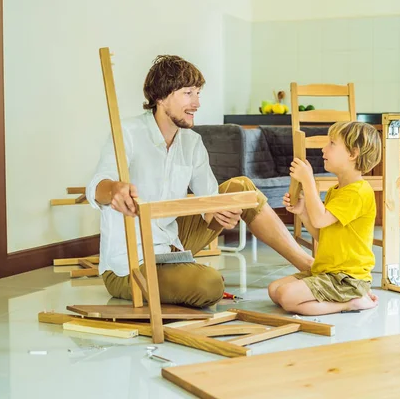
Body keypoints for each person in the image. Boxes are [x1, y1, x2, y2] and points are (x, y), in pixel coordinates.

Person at [85, 54, 313, 308]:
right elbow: (96, 187)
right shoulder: (127, 133)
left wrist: (221, 214)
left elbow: (210, 205)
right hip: (128, 265)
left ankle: (310, 265)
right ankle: (185, 275)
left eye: (198, 93)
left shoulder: (192, 142)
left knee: (241, 189)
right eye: (188, 93)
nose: (197, 102)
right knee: (209, 285)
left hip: (172, 245)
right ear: (161, 97)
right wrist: (114, 189)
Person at [268, 121, 382, 316]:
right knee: (274, 290)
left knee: (287, 297)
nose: (323, 148)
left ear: (352, 154)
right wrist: (303, 211)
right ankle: (347, 299)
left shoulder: (359, 192)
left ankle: (351, 303)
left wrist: (308, 181)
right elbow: (322, 234)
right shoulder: (335, 191)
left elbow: (320, 219)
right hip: (327, 273)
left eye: (331, 143)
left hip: (347, 279)